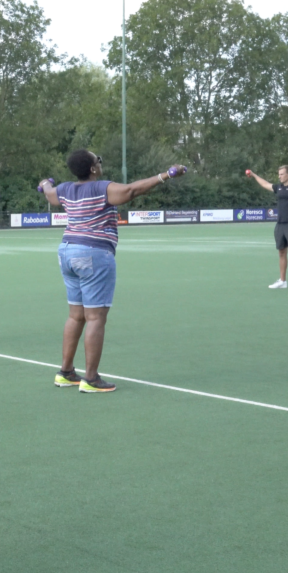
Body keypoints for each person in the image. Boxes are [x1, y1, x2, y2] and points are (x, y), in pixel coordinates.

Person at [39, 150, 186, 393]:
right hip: (93, 253)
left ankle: (65, 373)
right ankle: (92, 379)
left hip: (67, 251)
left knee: (76, 315)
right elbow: (131, 191)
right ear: (93, 169)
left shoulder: (64, 189)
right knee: (96, 317)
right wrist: (166, 175)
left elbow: (49, 194)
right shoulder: (101, 188)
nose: (100, 163)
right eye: (99, 160)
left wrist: (44, 183)